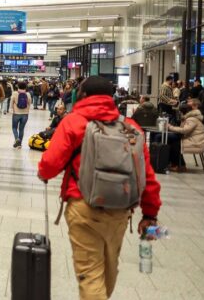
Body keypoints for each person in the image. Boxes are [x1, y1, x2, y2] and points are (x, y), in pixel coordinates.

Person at [38, 76, 162, 300]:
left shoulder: (73, 122)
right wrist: (150, 214)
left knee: (90, 274)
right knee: (109, 268)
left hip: (83, 206)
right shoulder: (129, 127)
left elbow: (50, 163)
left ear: (82, 95)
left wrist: (43, 173)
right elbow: (147, 175)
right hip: (120, 210)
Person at [167, 98, 204, 172]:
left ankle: (181, 165)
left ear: (195, 106)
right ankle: (175, 163)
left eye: (189, 103)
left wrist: (170, 127)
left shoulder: (192, 118)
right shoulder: (190, 116)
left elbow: (184, 130)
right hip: (193, 139)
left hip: (197, 142)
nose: (186, 104)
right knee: (173, 140)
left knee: (175, 143)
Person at [10, 81, 31, 149]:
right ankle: (19, 144)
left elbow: (11, 102)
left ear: (18, 86)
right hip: (25, 114)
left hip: (16, 113)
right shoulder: (28, 94)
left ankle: (17, 139)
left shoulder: (15, 93)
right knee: (21, 129)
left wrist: (11, 109)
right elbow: (29, 103)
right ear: (25, 87)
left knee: (14, 128)